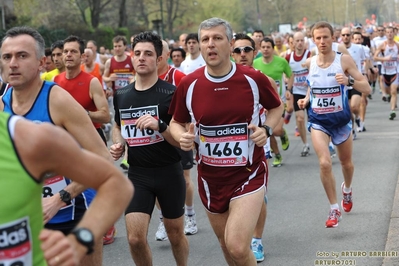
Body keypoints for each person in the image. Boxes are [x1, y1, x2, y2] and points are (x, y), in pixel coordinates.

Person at [169, 17, 283, 265]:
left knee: (237, 245)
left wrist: (267, 128)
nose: (211, 44)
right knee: (226, 246)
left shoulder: (254, 80)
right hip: (210, 179)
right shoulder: (189, 84)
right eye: (205, 39)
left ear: (230, 44)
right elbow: (175, 123)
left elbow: (276, 108)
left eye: (217, 38)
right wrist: (182, 138)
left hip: (248, 174)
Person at [0, 26, 117, 265]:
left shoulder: (58, 100)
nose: (13, 63)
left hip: (75, 210)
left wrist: (60, 198)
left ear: (42, 62)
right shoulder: (2, 105)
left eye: (22, 56)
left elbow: (103, 159)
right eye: (6, 57)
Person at [0, 111, 133, 266]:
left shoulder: (25, 133)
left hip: (75, 210)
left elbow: (113, 178)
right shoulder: (7, 103)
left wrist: (80, 238)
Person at [110, 31, 189, 266]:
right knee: (135, 239)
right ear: (131, 58)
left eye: (148, 54)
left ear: (159, 59)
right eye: (137, 54)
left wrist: (160, 125)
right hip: (137, 174)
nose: (141, 58)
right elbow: (117, 124)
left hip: (169, 172)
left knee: (175, 234)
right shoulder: (122, 95)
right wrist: (119, 142)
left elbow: (180, 141)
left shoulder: (171, 94)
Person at [298, 21, 371, 228]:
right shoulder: (310, 63)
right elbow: (314, 87)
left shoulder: (343, 60)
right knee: (324, 163)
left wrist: (349, 82)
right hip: (318, 121)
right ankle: (333, 208)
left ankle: (347, 190)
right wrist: (306, 99)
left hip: (340, 121)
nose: (322, 41)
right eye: (318, 38)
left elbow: (365, 87)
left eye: (325, 37)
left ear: (333, 38)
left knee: (346, 163)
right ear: (313, 40)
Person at [231, 32, 278, 263]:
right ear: (231, 53)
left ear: (254, 52)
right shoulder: (223, 79)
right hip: (230, 149)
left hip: (258, 144)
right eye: (237, 51)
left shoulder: (262, 80)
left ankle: (256, 240)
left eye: (246, 50)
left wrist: (266, 130)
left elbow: (276, 109)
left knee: (260, 197)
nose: (242, 55)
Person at [253, 37, 292, 167]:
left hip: (278, 101)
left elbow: (290, 75)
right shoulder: (255, 63)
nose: (265, 50)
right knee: (267, 131)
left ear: (272, 48)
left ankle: (283, 134)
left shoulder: (281, 62)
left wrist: (289, 90)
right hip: (262, 104)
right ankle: (277, 154)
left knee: (276, 130)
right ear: (259, 48)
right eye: (263, 47)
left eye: (268, 47)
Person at [103, 35, 135, 170]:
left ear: (124, 46)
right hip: (118, 99)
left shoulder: (131, 60)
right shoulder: (110, 62)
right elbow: (104, 77)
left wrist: (133, 79)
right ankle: (124, 151)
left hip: (131, 97)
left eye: (119, 46)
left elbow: (138, 74)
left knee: (130, 125)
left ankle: (128, 156)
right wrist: (109, 77)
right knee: (120, 125)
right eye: (115, 46)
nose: (117, 48)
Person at [286, 31, 311, 156]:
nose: (300, 43)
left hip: (311, 91)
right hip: (297, 92)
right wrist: (288, 88)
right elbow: (285, 73)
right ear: (293, 43)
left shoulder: (310, 54)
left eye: (302, 40)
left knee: (316, 120)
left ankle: (327, 144)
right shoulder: (288, 57)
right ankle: (305, 144)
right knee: (300, 119)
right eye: (297, 41)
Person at [340, 27, 367, 136]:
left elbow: (364, 62)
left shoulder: (359, 48)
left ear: (351, 36)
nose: (345, 37)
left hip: (356, 82)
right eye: (343, 35)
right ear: (341, 37)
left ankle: (358, 117)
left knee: (354, 106)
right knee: (348, 111)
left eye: (347, 35)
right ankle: (352, 129)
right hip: (344, 84)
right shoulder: (337, 49)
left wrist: (365, 74)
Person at [373, 26, 399, 120]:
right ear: (385, 33)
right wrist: (384, 59)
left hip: (395, 71)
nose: (389, 34)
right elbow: (375, 57)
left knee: (393, 90)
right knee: (388, 91)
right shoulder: (382, 45)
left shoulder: (397, 44)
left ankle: (392, 111)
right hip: (385, 71)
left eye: (391, 32)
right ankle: (390, 97)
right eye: (387, 32)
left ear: (393, 33)